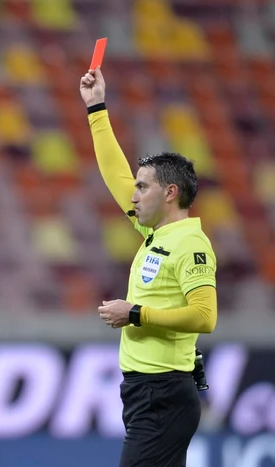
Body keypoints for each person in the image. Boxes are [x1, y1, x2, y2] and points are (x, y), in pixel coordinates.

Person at [80, 68, 218, 466]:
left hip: (164, 393)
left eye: (143, 187)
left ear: (170, 193)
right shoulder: (154, 234)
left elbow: (205, 317)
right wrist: (96, 108)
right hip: (147, 392)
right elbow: (114, 173)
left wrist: (135, 313)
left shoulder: (190, 243)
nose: (134, 193)